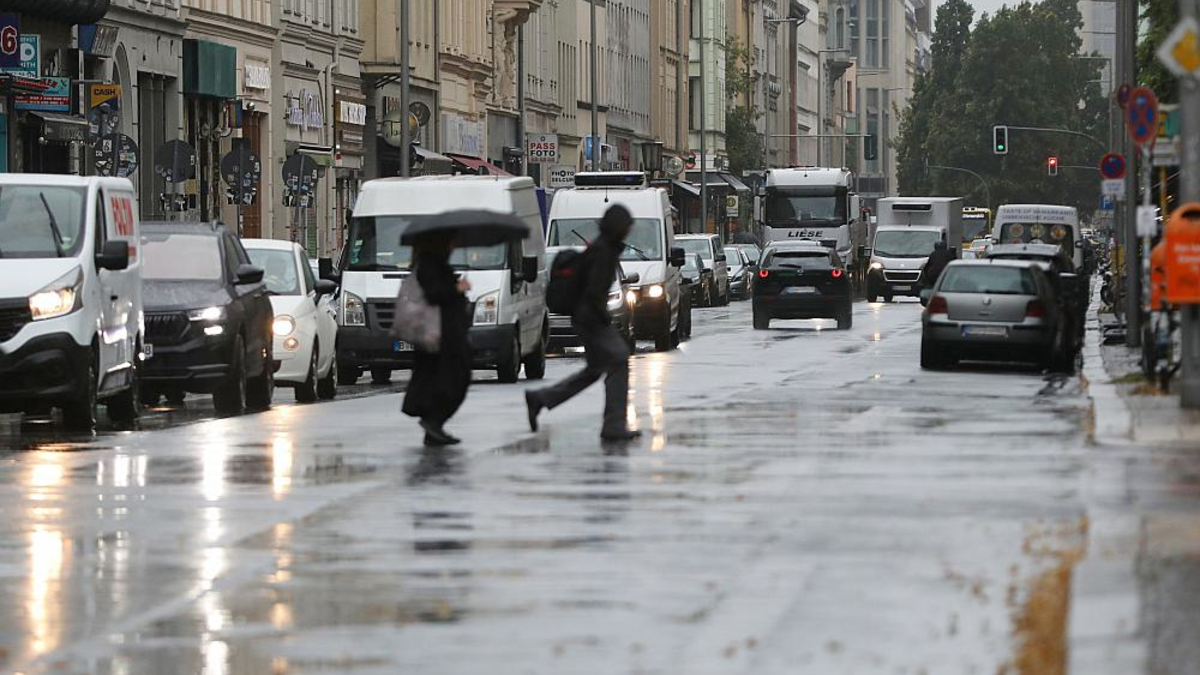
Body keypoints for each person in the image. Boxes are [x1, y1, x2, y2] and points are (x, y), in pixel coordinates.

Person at [525, 204, 640, 441]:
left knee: (594, 371)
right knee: (619, 360)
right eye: (626, 226)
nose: (629, 231)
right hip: (591, 319)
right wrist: (604, 319)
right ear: (618, 227)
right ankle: (614, 425)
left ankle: (540, 399)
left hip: (586, 317)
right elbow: (594, 292)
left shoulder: (603, 247)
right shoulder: (604, 252)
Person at [401, 232, 473, 446]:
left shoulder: (434, 264)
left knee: (438, 377)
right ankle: (433, 421)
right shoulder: (429, 265)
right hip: (441, 333)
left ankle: (434, 426)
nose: (454, 245)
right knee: (454, 377)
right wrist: (456, 288)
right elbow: (434, 294)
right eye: (450, 241)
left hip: (444, 332)